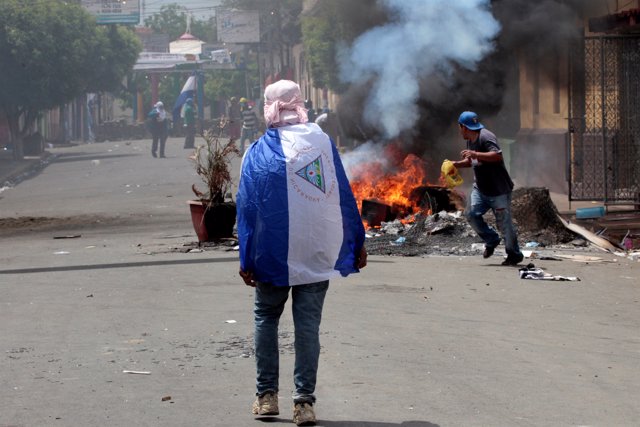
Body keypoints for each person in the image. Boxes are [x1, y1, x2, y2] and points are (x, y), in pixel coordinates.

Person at [236, 80, 367, 426]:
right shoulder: (322, 143)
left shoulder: (258, 152)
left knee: (266, 318)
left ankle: (266, 397)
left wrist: (246, 258)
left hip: (271, 255)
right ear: (300, 105)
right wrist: (356, 242)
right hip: (316, 251)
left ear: (268, 108)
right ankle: (303, 404)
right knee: (307, 326)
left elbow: (247, 210)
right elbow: (342, 194)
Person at [451, 111, 524, 266]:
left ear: (463, 127)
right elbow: (473, 161)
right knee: (471, 214)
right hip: (481, 188)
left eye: (459, 127)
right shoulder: (470, 140)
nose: (459, 130)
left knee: (504, 225)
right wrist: (456, 164)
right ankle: (492, 239)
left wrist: (475, 153)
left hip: (498, 190)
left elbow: (497, 156)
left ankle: (514, 255)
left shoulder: (486, 136)